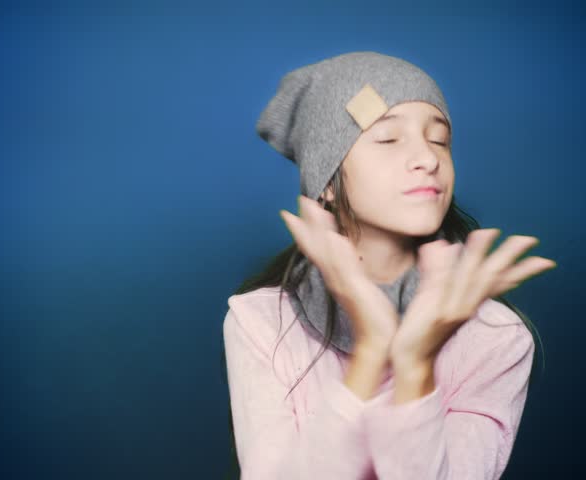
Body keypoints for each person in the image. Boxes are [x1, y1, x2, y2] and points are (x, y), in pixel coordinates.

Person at [222, 51, 557, 480]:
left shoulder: (496, 336)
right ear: (327, 183)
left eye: (439, 140)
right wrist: (371, 350)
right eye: (388, 139)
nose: (428, 159)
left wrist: (415, 364)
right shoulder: (260, 322)